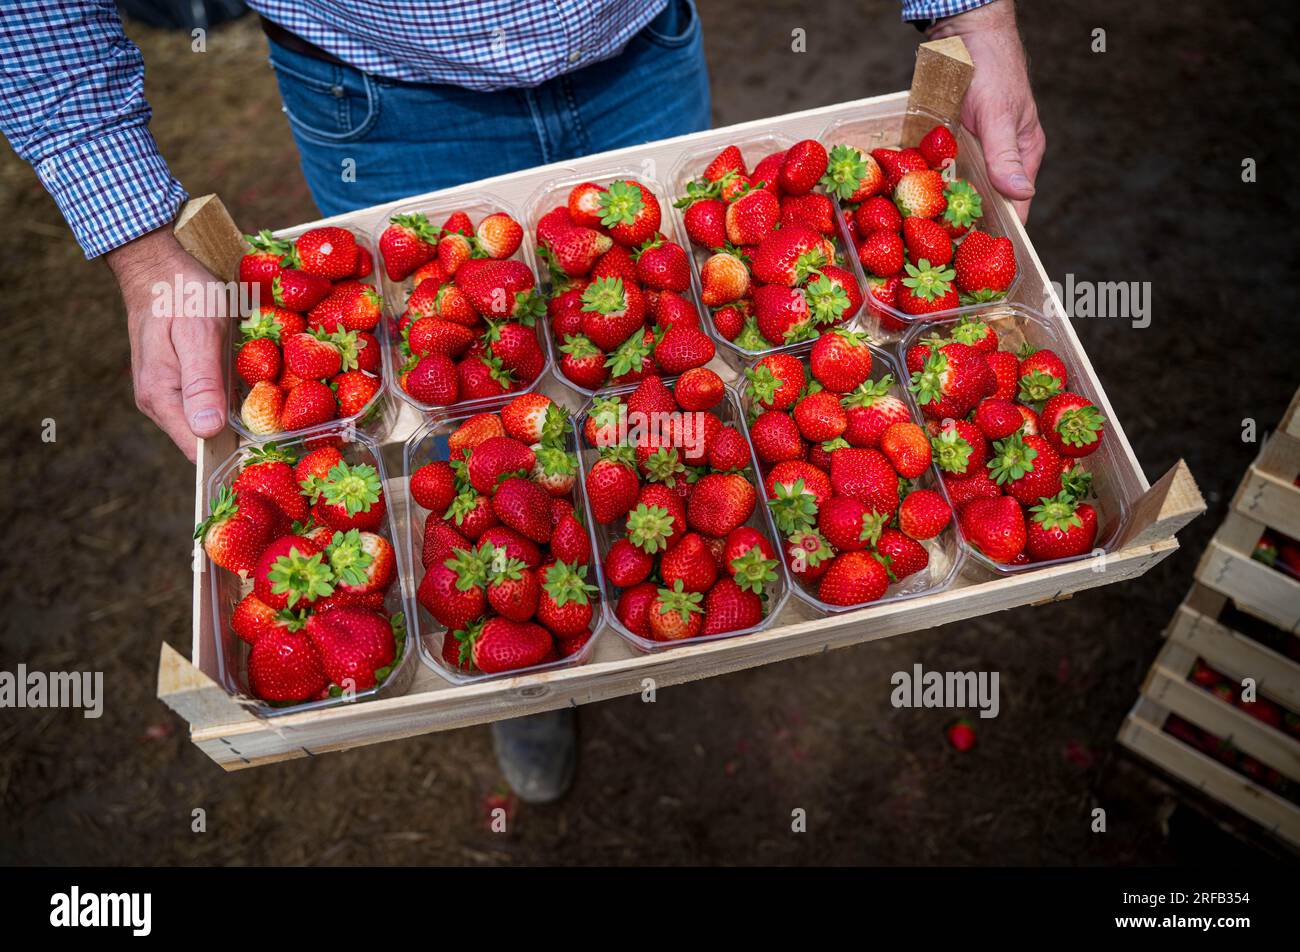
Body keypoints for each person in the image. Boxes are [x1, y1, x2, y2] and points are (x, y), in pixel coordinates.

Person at [0, 0, 1043, 802]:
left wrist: (972, 11)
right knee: (439, 393)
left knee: (644, 341)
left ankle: (567, 625)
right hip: (372, 90)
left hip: (637, 44)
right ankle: (532, 678)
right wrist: (134, 230)